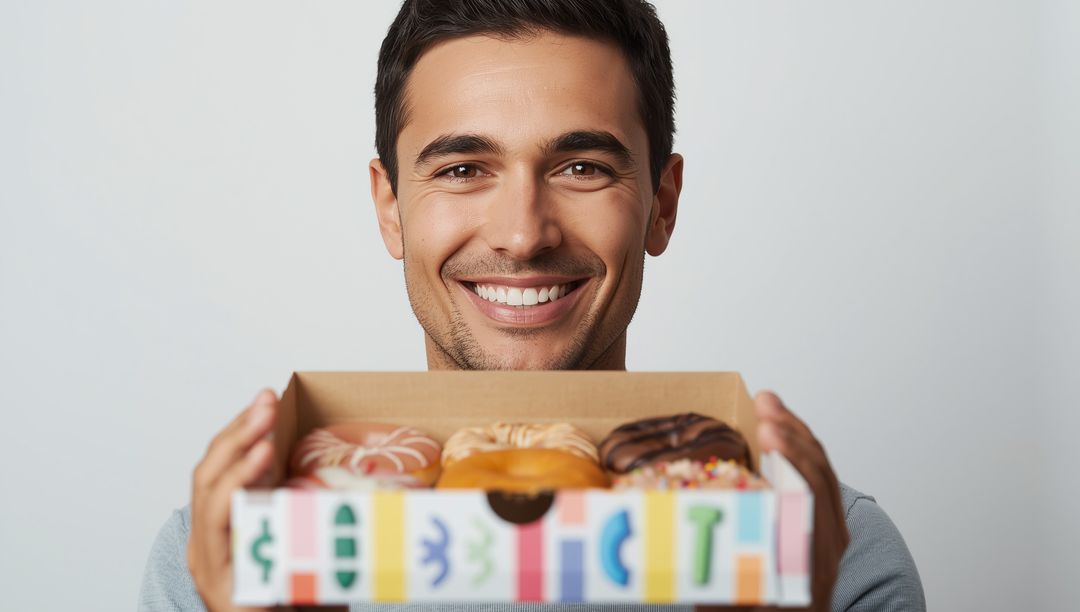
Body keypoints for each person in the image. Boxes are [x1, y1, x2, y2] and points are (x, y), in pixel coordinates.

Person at [139, 1, 926, 611]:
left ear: (660, 204)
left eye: (582, 166)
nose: (522, 235)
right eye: (461, 170)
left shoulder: (831, 555)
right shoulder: (227, 554)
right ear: (389, 208)